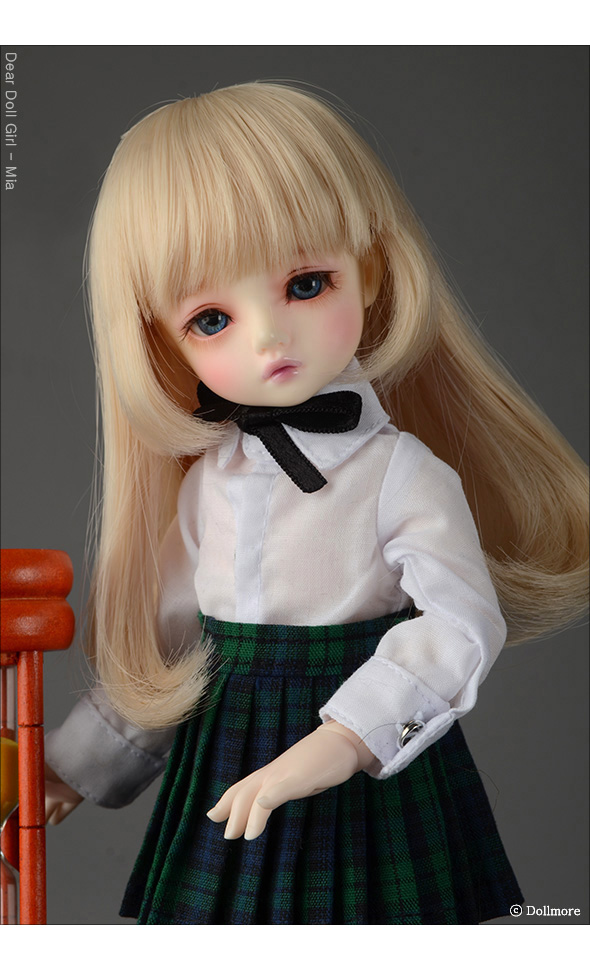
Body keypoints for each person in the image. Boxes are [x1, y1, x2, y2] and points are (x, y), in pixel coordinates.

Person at [44, 82, 589, 924]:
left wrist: (345, 740)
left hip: (363, 756)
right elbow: (171, 652)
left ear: (369, 272)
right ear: (162, 341)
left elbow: (460, 625)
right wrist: (73, 769)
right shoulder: (207, 484)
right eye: (212, 319)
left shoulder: (400, 473)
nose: (269, 336)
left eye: (305, 284)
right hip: (227, 748)